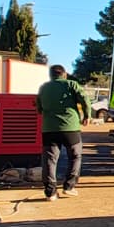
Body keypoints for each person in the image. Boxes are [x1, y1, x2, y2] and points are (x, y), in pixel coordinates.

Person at [35, 65, 90, 199]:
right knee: (75, 155)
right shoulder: (72, 84)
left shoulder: (43, 88)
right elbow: (85, 100)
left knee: (49, 159)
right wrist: (87, 116)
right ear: (64, 74)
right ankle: (69, 186)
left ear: (51, 75)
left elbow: (39, 108)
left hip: (49, 129)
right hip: (70, 128)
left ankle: (50, 192)